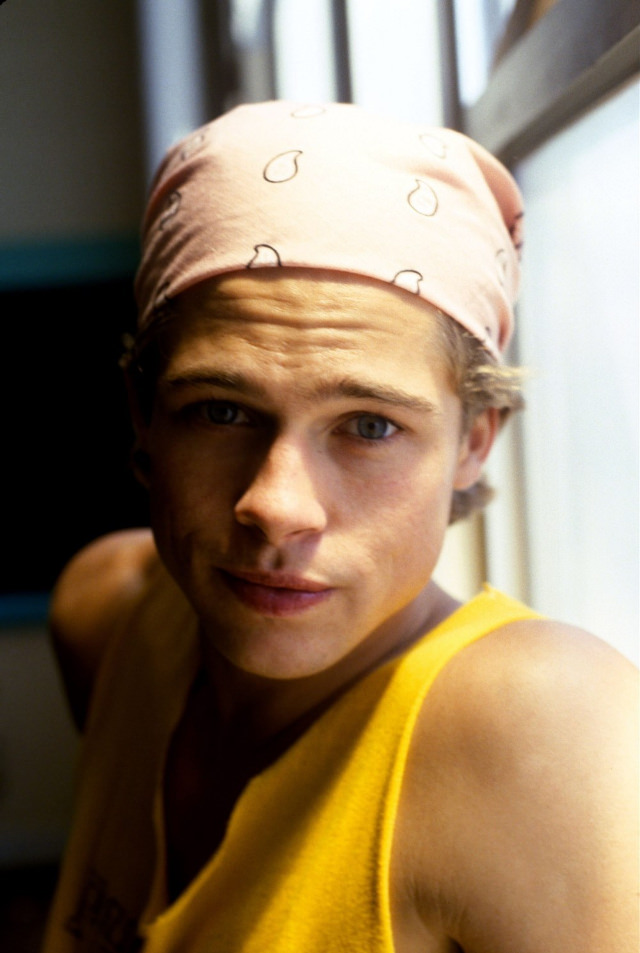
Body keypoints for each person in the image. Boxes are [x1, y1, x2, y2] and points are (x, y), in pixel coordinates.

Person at [43, 101, 637, 953]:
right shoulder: (107, 619)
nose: (277, 505)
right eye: (221, 410)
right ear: (142, 414)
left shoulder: (551, 737)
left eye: (368, 426)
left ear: (474, 439)